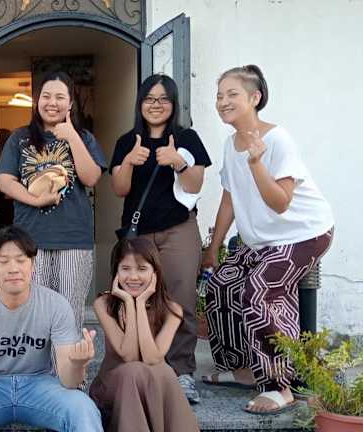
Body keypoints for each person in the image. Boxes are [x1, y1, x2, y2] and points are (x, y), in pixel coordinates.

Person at [201, 65, 334, 415]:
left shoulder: (278, 139)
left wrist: (257, 163)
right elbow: (229, 197)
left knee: (260, 290)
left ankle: (279, 385)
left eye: (232, 94)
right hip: (262, 241)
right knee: (221, 286)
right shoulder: (230, 144)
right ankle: (244, 369)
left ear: (254, 98)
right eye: (219, 96)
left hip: (304, 234)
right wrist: (214, 247)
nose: (223, 102)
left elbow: (281, 202)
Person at [0, 226, 103, 431]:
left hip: (40, 386)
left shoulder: (55, 304)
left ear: (33, 265)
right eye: (4, 261)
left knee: (83, 407)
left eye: (21, 260)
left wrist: (78, 364)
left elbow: (70, 382)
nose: (13, 269)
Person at [109, 74, 212, 403]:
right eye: (149, 98)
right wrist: (128, 162)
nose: (156, 105)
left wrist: (178, 162)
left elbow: (195, 184)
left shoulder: (186, 138)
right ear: (140, 103)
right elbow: (119, 189)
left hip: (178, 228)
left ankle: (181, 373)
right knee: (139, 299)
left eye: (164, 99)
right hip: (139, 235)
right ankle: (142, 370)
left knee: (180, 299)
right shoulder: (127, 141)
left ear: (174, 103)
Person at [0, 70, 106, 332]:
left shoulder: (84, 138)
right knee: (33, 313)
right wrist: (35, 200)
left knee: (68, 313)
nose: (52, 103)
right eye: (46, 96)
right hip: (30, 240)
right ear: (37, 101)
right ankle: (37, 361)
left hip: (73, 240)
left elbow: (91, 177)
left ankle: (66, 361)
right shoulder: (20, 138)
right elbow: (5, 182)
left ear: (70, 103)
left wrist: (72, 136)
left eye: (60, 97)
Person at [90, 237, 199, 431]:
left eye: (142, 269)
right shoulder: (104, 304)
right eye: (125, 269)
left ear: (155, 272)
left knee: (164, 370)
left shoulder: (172, 309)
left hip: (151, 385)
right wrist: (128, 302)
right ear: (116, 271)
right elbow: (129, 355)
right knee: (134, 370)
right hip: (113, 386)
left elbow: (151, 357)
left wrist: (140, 304)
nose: (133, 277)